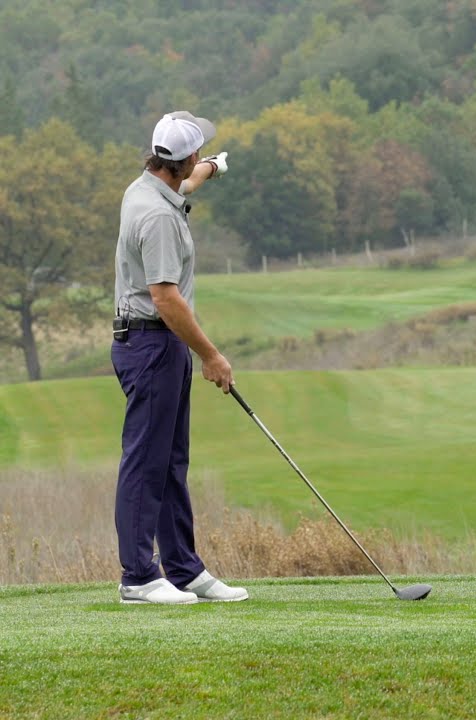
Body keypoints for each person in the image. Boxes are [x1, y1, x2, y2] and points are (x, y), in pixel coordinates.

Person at [112, 111, 247, 604]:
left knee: (170, 462)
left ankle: (184, 569)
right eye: (197, 154)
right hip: (151, 342)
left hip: (157, 344)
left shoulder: (147, 187)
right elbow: (167, 298)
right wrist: (211, 356)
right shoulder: (159, 218)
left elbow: (183, 184)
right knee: (146, 462)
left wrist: (212, 167)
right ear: (181, 156)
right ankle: (138, 577)